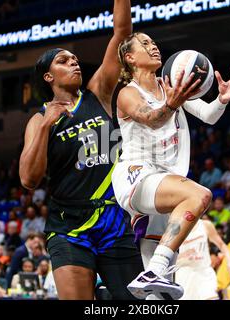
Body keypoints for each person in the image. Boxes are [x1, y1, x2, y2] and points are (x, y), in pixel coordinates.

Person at [19, 0, 143, 300]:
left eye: (74, 59)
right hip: (69, 226)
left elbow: (122, 32)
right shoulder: (38, 120)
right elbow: (28, 180)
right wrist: (48, 125)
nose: (74, 62)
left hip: (113, 219)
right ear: (49, 77)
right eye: (63, 60)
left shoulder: (98, 92)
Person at [114, 32, 230, 299]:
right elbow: (151, 119)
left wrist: (221, 99)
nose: (154, 47)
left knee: (158, 294)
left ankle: (155, 274)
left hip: (165, 184)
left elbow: (208, 116)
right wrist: (172, 103)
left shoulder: (170, 85)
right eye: (145, 44)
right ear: (130, 58)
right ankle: (156, 269)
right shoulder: (128, 93)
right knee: (200, 194)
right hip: (137, 175)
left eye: (153, 42)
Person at [175, 218, 230, 300]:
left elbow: (221, 244)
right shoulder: (174, 228)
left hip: (204, 272)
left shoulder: (205, 225)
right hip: (184, 274)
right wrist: (184, 255)